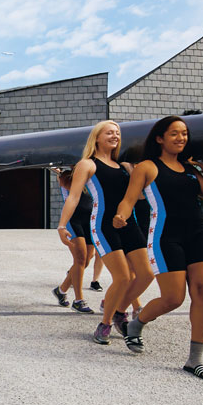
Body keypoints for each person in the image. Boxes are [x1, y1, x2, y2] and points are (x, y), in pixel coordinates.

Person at [113, 115, 203, 380]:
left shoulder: (191, 170)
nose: (181, 138)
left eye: (184, 134)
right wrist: (121, 216)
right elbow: (129, 199)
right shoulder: (147, 167)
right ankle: (135, 325)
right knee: (174, 298)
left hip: (199, 234)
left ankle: (194, 360)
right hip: (166, 236)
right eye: (174, 133)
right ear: (160, 138)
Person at [56, 120, 154, 345]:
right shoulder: (88, 164)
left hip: (129, 224)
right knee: (123, 277)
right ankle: (106, 323)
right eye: (109, 132)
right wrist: (62, 226)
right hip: (103, 226)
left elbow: (139, 196)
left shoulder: (125, 166)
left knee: (146, 274)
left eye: (117, 133)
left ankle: (120, 312)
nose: (115, 136)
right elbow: (74, 196)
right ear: (97, 138)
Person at [53, 169, 95, 313]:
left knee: (87, 259)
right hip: (74, 219)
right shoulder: (66, 175)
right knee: (80, 259)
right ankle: (78, 300)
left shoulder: (93, 172)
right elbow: (68, 187)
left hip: (90, 218)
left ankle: (61, 290)